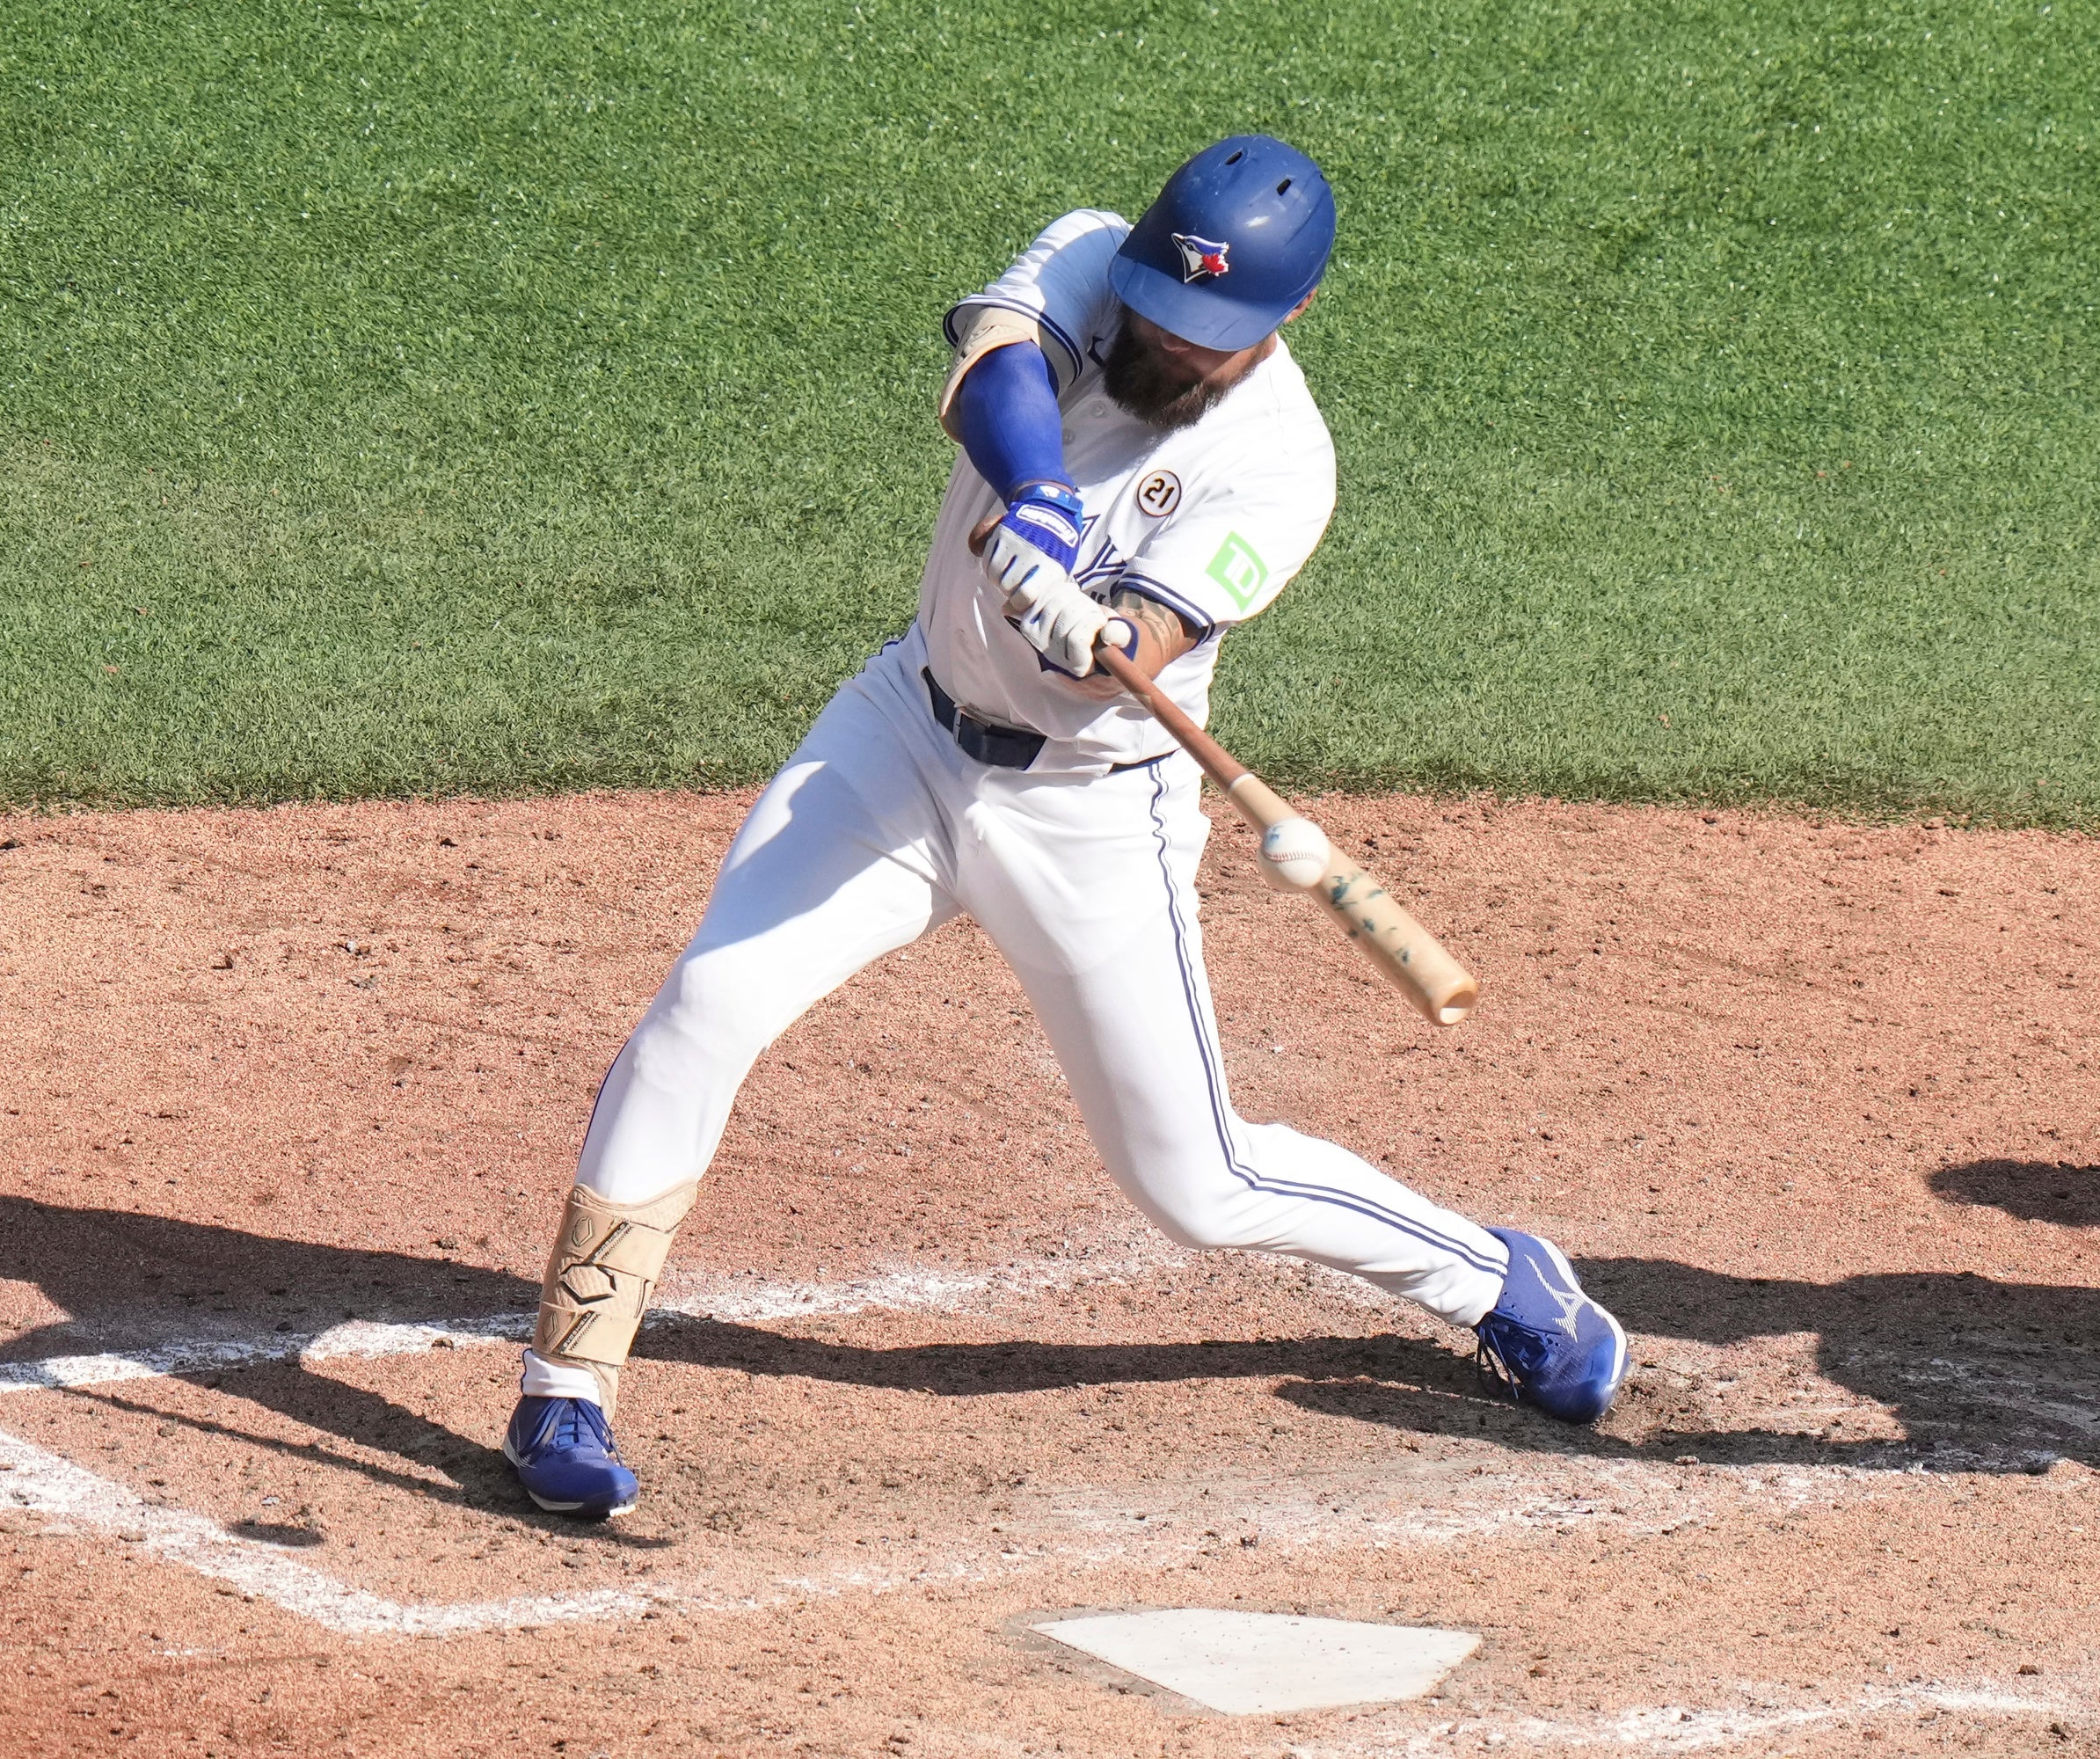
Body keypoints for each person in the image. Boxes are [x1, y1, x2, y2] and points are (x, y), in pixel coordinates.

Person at [503, 135, 1630, 1517]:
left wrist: (1096, 626)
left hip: (1089, 819)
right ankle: (567, 1385)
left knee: (1197, 1185)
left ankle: (1500, 1283)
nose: (1162, 344)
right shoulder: (1092, 252)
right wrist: (1035, 497)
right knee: (707, 1006)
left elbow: (1150, 634)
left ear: (1290, 323)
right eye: (1157, 308)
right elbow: (997, 370)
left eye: (1204, 339)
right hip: (901, 740)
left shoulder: (1282, 470)